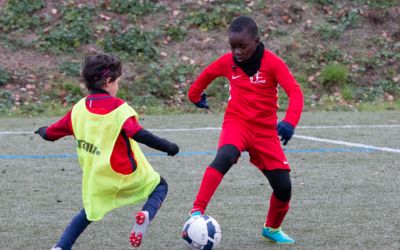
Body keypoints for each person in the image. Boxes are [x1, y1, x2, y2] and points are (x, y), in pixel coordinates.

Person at [35, 53, 179, 249]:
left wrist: (42, 131)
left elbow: (52, 133)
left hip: (98, 179)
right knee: (160, 186)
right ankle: (146, 214)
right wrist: (168, 147)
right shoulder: (119, 108)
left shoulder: (78, 109)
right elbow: (137, 133)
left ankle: (61, 247)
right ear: (108, 81)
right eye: (117, 81)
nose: (118, 86)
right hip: (126, 174)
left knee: (87, 213)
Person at [187, 16, 303, 244]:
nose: (237, 51)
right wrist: (194, 96)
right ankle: (196, 212)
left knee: (283, 187)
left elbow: (295, 93)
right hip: (236, 124)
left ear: (257, 41)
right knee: (225, 156)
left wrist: (289, 122)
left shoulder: (273, 63)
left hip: (265, 133)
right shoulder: (227, 62)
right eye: (233, 47)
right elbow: (206, 75)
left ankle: (271, 228)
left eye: (242, 46)